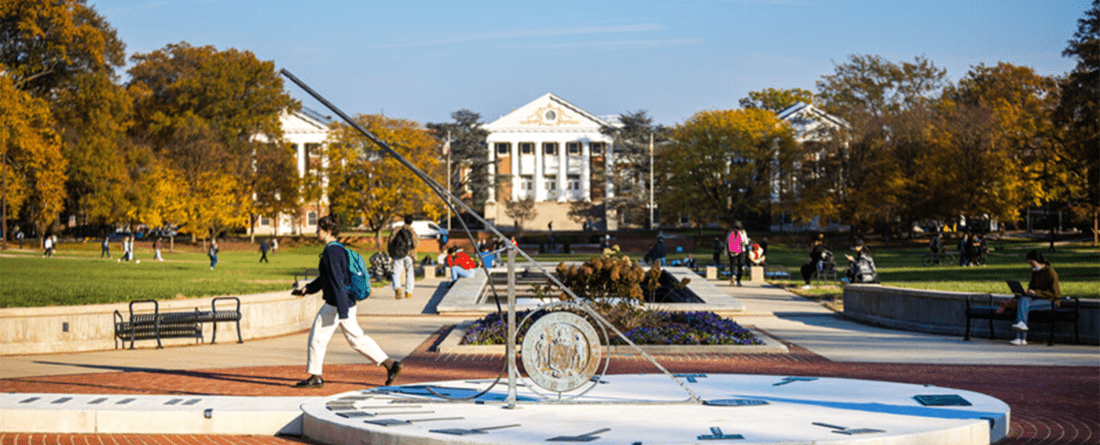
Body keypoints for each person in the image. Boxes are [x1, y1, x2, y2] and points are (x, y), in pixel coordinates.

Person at [291, 215, 401, 388]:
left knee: (317, 338)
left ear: (327, 232)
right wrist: (308, 289)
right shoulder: (339, 249)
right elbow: (327, 278)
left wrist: (342, 311)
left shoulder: (331, 252)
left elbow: (336, 281)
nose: (316, 232)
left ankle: (316, 376)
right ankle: (390, 365)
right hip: (344, 302)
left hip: (337, 304)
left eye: (318, 229)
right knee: (356, 339)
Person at [1009, 250, 1061, 346]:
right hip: (1036, 298)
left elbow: (1054, 293)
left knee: (1023, 306)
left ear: (1038, 261)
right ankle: (1021, 333)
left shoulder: (1051, 272)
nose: (1031, 266)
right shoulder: (1035, 272)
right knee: (1022, 300)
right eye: (1030, 264)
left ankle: (1020, 337)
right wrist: (1027, 291)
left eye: (1032, 263)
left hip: (1050, 301)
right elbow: (1032, 286)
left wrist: (1036, 292)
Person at [387, 216, 419, 300]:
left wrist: (391, 253)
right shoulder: (412, 231)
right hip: (409, 254)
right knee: (410, 273)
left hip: (398, 253)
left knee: (396, 272)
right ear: (411, 222)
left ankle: (397, 288)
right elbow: (415, 244)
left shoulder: (396, 229)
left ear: (404, 220)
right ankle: (408, 291)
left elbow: (390, 241)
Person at [727, 222, 749, 286]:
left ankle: (733, 275)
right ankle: (738, 281)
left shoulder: (730, 232)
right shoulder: (743, 232)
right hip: (741, 250)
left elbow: (727, 241)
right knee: (740, 265)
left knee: (732, 264)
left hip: (732, 250)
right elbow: (746, 242)